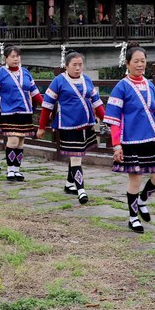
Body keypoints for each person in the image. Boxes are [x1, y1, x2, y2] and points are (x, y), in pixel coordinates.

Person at [104, 45, 155, 233]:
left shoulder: (150, 86)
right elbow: (114, 119)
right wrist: (117, 145)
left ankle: (142, 200)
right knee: (135, 180)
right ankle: (133, 217)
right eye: (136, 61)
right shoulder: (121, 87)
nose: (140, 65)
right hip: (130, 140)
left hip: (151, 139)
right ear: (128, 64)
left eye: (143, 61)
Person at [37, 51, 105, 204]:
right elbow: (47, 105)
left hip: (86, 123)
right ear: (66, 66)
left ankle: (69, 184)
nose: (77, 68)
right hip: (68, 125)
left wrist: (106, 119)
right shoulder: (58, 81)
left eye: (80, 65)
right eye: (74, 65)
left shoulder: (86, 79)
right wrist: (41, 127)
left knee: (77, 155)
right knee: (76, 156)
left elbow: (97, 102)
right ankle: (81, 190)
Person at [0, 45, 42, 182]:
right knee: (13, 140)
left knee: (21, 142)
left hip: (25, 111)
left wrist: (46, 107)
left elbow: (35, 93)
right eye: (13, 56)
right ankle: (10, 170)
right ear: (6, 59)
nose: (16, 59)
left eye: (18, 56)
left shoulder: (26, 72)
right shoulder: (0, 73)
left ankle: (17, 169)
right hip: (9, 112)